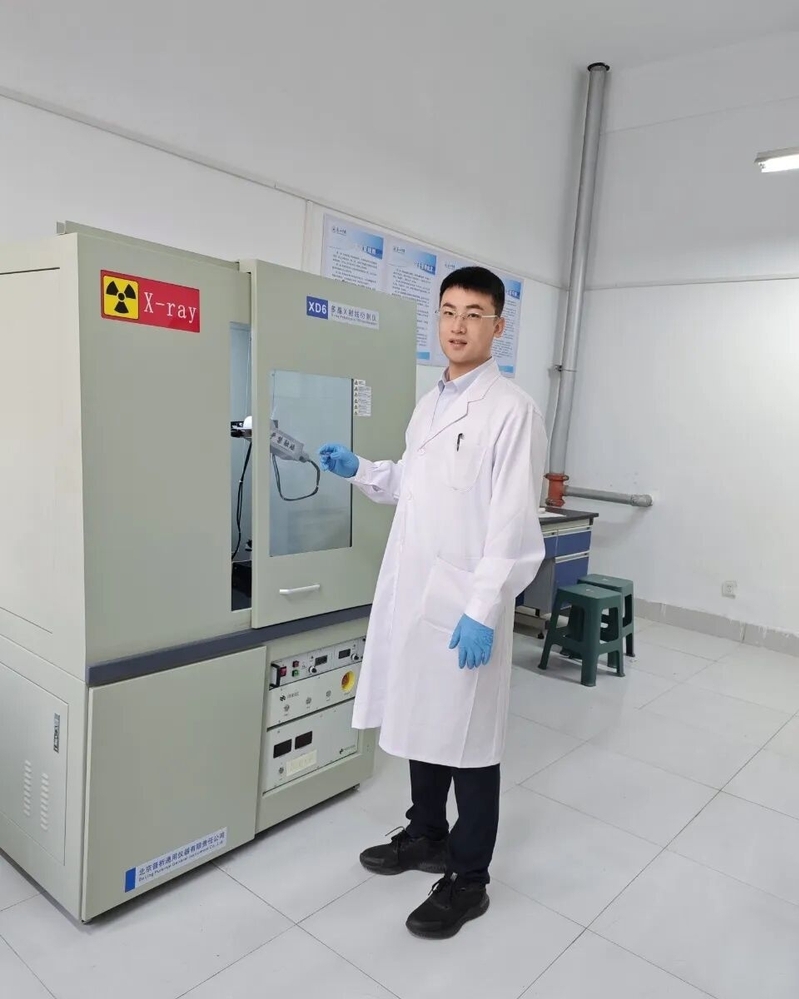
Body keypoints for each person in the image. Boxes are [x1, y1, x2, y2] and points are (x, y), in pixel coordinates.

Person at [319, 266, 547, 939]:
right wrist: (362, 470)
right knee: (424, 716)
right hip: (415, 593)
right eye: (448, 311)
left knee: (470, 740)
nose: (457, 325)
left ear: (497, 327)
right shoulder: (431, 403)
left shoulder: (512, 411)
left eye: (474, 314)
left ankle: (468, 879)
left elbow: (512, 523)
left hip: (466, 603)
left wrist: (483, 608)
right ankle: (426, 833)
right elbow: (414, 483)